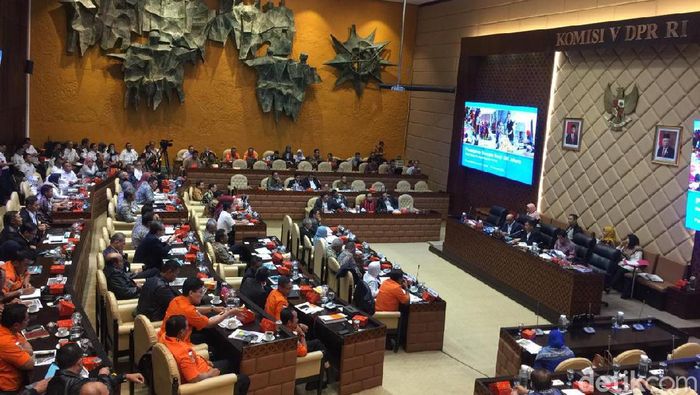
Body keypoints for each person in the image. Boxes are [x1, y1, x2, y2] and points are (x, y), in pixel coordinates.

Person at [158, 278, 239, 344]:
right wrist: (228, 313)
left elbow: (193, 309)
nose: (201, 295)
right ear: (191, 293)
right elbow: (209, 323)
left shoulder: (176, 300)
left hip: (164, 337)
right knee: (214, 341)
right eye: (200, 292)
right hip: (177, 344)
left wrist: (212, 308)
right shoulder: (188, 311)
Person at [47, 343, 143, 395]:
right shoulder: (83, 388)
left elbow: (101, 382)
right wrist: (103, 375)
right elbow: (105, 390)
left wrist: (125, 376)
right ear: (79, 362)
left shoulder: (52, 382)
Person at [0, 304, 35, 393]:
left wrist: (22, 350)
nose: (29, 321)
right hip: (8, 388)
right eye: (26, 319)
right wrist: (26, 352)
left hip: (19, 378)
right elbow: (30, 364)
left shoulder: (9, 329)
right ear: (16, 325)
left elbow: (29, 348)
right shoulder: (5, 341)